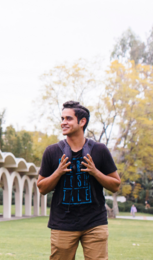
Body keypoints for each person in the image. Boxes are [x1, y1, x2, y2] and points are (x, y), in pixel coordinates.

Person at [37, 101, 121, 260]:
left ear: (82, 122)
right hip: (62, 223)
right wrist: (58, 172)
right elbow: (41, 188)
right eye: (62, 118)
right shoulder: (52, 151)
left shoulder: (100, 150)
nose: (63, 122)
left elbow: (116, 185)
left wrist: (95, 172)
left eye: (68, 119)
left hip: (95, 222)